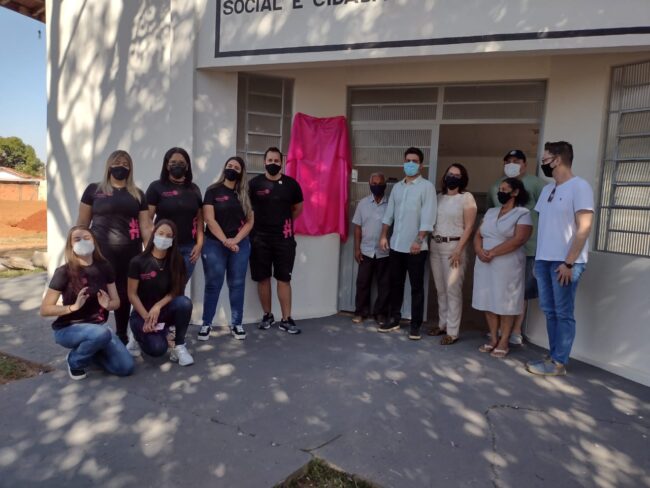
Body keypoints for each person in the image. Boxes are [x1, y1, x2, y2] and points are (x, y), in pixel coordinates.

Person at [526, 141, 594, 376]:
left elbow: (584, 228)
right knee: (550, 310)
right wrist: (537, 260)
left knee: (563, 312)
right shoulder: (548, 190)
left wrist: (569, 263)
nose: (543, 163)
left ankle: (558, 363)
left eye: (545, 159)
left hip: (565, 262)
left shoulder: (580, 187)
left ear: (557, 160)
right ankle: (554, 354)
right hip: (544, 260)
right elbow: (544, 227)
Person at [77, 150, 152, 350]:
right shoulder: (94, 190)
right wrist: (78, 249)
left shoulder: (138, 194)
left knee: (124, 294)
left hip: (131, 251)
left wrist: (150, 253)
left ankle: (121, 335)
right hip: (101, 251)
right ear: (109, 165)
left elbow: (145, 226)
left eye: (126, 164)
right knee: (97, 291)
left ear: (131, 169)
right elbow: (82, 223)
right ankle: (95, 334)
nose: (121, 166)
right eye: (117, 162)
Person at [40, 226, 134, 380]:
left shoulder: (105, 267)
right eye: (77, 239)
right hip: (68, 329)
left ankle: (91, 353)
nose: (82, 241)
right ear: (71, 245)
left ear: (94, 241)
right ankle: (75, 361)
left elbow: (116, 302)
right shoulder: (63, 272)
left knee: (126, 367)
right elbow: (45, 309)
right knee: (100, 333)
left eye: (86, 238)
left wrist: (108, 305)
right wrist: (73, 307)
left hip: (99, 327)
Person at [487, 149, 547, 346]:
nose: (511, 164)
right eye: (508, 161)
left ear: (525, 164)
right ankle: (497, 330)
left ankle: (516, 330)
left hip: (528, 247)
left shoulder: (537, 184)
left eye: (516, 161)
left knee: (522, 291)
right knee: (499, 288)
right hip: (500, 249)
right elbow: (490, 212)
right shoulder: (496, 186)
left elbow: (547, 212)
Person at [379, 147, 436, 340]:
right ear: (403, 162)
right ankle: (394, 319)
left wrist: (418, 240)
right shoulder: (397, 187)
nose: (410, 164)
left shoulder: (426, 187)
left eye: (414, 161)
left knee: (416, 287)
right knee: (395, 284)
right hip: (396, 245)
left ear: (421, 165)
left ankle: (415, 325)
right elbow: (389, 214)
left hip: (416, 248)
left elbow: (428, 217)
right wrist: (384, 235)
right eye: (407, 160)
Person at [473, 178, 533, 358]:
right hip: (484, 262)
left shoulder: (522, 213)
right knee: (487, 299)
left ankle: (504, 340)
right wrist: (479, 251)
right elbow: (478, 235)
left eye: (505, 189)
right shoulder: (491, 212)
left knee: (505, 301)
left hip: (507, 264)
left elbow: (519, 239)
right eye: (499, 189)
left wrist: (492, 252)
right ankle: (493, 338)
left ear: (515, 192)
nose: (500, 192)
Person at [249, 147, 304, 334]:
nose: (273, 163)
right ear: (264, 162)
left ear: (282, 163)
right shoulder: (254, 184)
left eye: (276, 161)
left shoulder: (292, 185)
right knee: (263, 278)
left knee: (284, 279)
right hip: (259, 239)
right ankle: (267, 315)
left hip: (284, 239)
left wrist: (282, 223)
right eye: (270, 160)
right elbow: (247, 208)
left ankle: (286, 319)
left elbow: (298, 209)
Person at [198, 156, 254, 341]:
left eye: (236, 167)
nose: (232, 169)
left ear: (241, 172)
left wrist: (236, 239)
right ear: (224, 168)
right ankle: (206, 323)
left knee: (237, 284)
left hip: (240, 244)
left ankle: (237, 323)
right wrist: (226, 241)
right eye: (229, 165)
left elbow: (250, 221)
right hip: (215, 244)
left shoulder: (244, 193)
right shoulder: (212, 190)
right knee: (213, 284)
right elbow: (209, 219)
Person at [127, 219, 194, 366]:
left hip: (163, 311)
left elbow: (176, 291)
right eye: (161, 233)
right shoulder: (138, 261)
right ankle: (137, 337)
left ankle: (179, 345)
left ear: (173, 239)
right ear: (154, 234)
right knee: (157, 349)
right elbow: (132, 294)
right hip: (142, 314)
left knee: (184, 303)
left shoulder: (177, 261)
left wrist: (158, 305)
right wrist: (146, 317)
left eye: (169, 236)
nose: (164, 238)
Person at [428, 163, 477, 345]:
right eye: (450, 174)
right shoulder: (438, 197)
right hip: (436, 246)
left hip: (454, 247)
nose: (452, 177)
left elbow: (469, 226)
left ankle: (452, 331)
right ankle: (442, 324)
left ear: (462, 179)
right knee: (440, 289)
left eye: (457, 175)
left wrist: (458, 250)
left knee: (453, 290)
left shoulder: (466, 197)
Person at [146, 147, 203, 281]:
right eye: (173, 162)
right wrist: (153, 245)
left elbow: (200, 219)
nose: (177, 165)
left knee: (179, 286)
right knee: (162, 285)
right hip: (163, 246)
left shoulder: (194, 189)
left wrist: (199, 244)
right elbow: (147, 219)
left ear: (187, 166)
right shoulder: (156, 187)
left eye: (181, 163)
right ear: (167, 165)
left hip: (188, 248)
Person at [352, 172, 390, 326]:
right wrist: (356, 249)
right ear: (369, 185)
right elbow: (357, 228)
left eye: (379, 183)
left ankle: (380, 313)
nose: (376, 186)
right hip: (366, 250)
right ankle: (361, 312)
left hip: (385, 252)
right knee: (362, 283)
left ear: (385, 185)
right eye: (373, 183)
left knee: (384, 285)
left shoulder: (391, 204)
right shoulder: (363, 204)